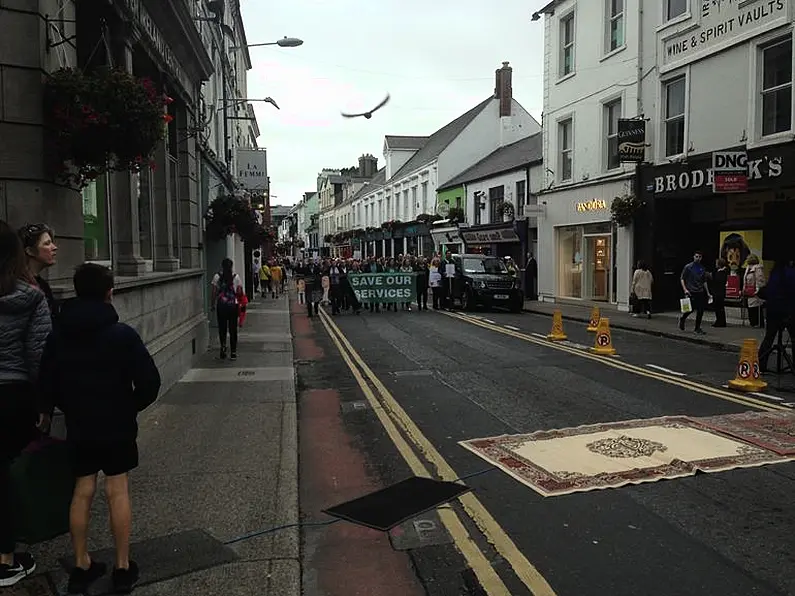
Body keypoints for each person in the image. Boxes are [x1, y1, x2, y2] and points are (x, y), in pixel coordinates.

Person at [37, 263, 160, 595]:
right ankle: (122, 567)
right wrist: (128, 406)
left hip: (80, 424)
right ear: (109, 293)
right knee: (117, 490)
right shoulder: (122, 335)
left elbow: (46, 382)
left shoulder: (58, 335)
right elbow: (150, 382)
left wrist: (58, 407)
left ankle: (81, 564)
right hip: (117, 425)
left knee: (83, 490)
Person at [0, 220, 51, 588]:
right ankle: (5, 558)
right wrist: (44, 403)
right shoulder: (30, 297)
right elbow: (38, 356)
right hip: (12, 395)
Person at [757, 259, 795, 372]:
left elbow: (768, 290)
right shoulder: (791, 273)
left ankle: (761, 364)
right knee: (793, 338)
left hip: (773, 309)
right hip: (788, 309)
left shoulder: (775, 272)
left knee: (769, 337)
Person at [18, 223, 58, 319]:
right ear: (30, 251)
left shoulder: (42, 285)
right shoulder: (20, 288)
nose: (54, 247)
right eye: (47, 243)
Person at [211, 258, 244, 360]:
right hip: (233, 306)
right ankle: (233, 352)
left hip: (221, 306)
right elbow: (239, 292)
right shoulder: (236, 277)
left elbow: (214, 292)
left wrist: (212, 304)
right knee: (233, 329)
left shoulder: (217, 277)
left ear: (222, 266)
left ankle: (223, 348)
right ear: (231, 266)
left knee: (222, 328)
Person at [679, 251, 712, 335]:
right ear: (693, 257)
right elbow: (682, 278)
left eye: (699, 257)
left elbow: (704, 281)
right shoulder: (688, 267)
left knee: (700, 310)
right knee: (690, 309)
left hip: (699, 291)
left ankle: (697, 328)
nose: (698, 258)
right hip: (691, 291)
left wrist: (708, 292)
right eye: (696, 256)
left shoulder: (702, 268)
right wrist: (685, 289)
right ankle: (683, 318)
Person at [743, 254, 766, 328]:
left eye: (747, 258)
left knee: (755, 307)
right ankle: (753, 322)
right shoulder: (748, 268)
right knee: (751, 306)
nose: (746, 260)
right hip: (749, 290)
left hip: (755, 290)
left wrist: (757, 289)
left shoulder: (757, 268)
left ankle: (758, 323)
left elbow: (760, 279)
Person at [711, 258, 729, 328]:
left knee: (719, 307)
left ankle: (720, 322)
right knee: (718, 307)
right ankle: (719, 321)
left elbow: (719, 281)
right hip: (719, 291)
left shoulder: (722, 272)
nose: (715, 265)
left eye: (716, 263)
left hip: (719, 292)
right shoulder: (720, 272)